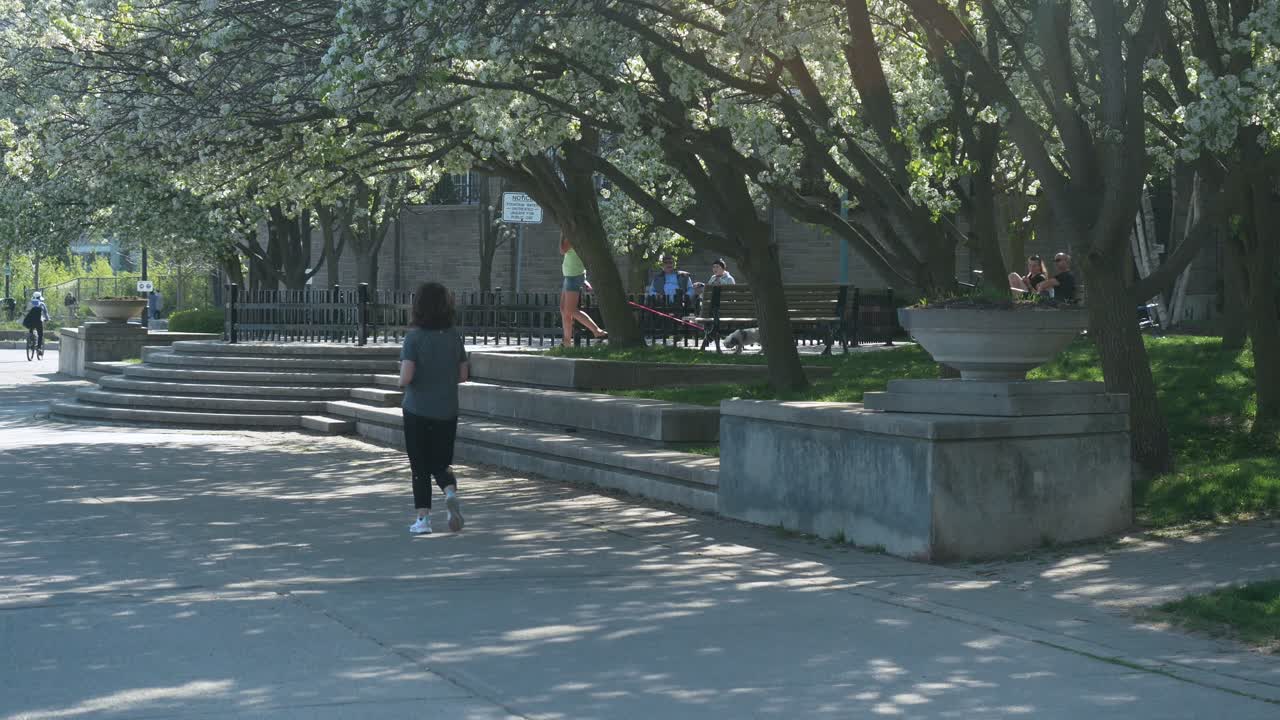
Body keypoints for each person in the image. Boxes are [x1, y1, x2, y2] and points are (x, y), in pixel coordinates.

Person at [399, 282, 469, 535]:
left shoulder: (414, 337)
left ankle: (423, 520)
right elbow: (463, 374)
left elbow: (407, 376)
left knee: (420, 467)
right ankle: (450, 492)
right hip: (447, 409)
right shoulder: (453, 337)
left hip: (417, 409)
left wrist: (400, 380)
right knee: (441, 462)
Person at [559, 238, 607, 346]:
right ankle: (566, 342)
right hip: (569, 275)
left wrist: (562, 234)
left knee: (570, 310)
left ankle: (597, 331)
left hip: (573, 276)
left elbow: (562, 250)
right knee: (563, 309)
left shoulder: (571, 236)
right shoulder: (572, 235)